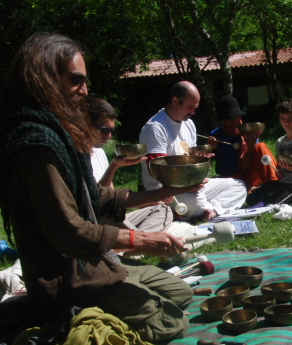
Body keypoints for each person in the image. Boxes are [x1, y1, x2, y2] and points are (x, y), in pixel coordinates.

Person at [0, 32, 203, 344]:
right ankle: (73, 319)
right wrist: (138, 238)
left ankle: (119, 298)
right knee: (171, 325)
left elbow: (96, 197)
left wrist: (162, 191)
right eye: (76, 80)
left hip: (98, 263)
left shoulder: (57, 133)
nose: (84, 90)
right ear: (44, 79)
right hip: (68, 279)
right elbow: (68, 231)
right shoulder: (35, 145)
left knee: (180, 293)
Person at [139, 81, 247, 220]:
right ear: (175, 101)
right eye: (190, 107)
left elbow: (189, 158)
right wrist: (188, 187)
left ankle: (210, 211)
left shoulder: (189, 124)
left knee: (238, 185)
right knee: (198, 204)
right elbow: (158, 171)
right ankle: (204, 210)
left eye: (195, 108)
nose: (193, 112)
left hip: (190, 185)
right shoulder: (155, 128)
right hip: (164, 190)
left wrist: (199, 158)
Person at [86, 95, 173, 232]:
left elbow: (111, 195)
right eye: (104, 130)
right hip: (96, 221)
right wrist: (114, 166)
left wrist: (144, 201)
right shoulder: (76, 155)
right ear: (86, 124)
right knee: (113, 222)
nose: (109, 136)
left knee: (162, 209)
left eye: (111, 131)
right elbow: (96, 202)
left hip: (111, 217)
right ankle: (137, 242)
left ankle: (134, 242)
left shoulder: (99, 152)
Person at [246, 99, 292, 206]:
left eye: (290, 119)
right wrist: (279, 172)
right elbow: (281, 174)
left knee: (273, 204)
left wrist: (291, 167)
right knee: (251, 199)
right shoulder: (280, 141)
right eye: (283, 119)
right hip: (283, 182)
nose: (286, 122)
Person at [208, 95, 278, 189]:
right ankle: (249, 189)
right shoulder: (215, 135)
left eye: (232, 118)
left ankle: (274, 185)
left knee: (261, 146)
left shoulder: (248, 131)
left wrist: (250, 147)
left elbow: (247, 167)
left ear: (239, 116)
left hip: (249, 175)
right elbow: (206, 166)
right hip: (229, 179)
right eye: (226, 119)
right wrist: (210, 149)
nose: (229, 122)